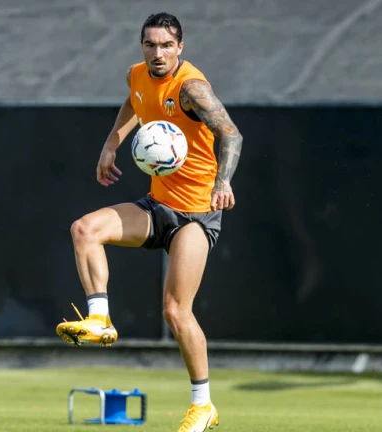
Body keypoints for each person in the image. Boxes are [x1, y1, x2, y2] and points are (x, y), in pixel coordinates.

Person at [56, 12, 242, 432]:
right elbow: (134, 100)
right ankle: (100, 318)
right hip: (157, 206)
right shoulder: (137, 75)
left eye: (166, 45)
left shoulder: (191, 88)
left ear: (180, 48)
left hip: (196, 215)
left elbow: (231, 134)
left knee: (176, 311)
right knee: (84, 230)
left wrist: (223, 181)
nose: (158, 53)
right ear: (142, 46)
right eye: (150, 45)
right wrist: (111, 143)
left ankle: (203, 405)